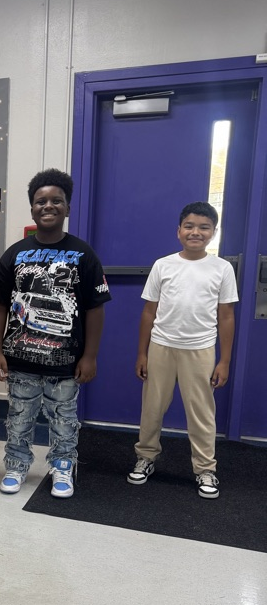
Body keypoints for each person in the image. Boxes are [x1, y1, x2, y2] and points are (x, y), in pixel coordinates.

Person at [0, 168, 110, 498]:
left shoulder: (84, 254)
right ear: (32, 209)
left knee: (64, 420)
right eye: (41, 201)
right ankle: (16, 464)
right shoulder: (15, 254)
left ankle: (62, 466)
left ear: (67, 208)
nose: (48, 206)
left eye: (57, 200)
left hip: (66, 363)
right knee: (19, 417)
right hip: (20, 361)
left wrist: (90, 355)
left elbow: (95, 308)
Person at [127, 202, 238, 499]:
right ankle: (146, 457)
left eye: (204, 227)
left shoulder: (222, 269)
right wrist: (142, 353)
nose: (195, 232)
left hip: (200, 350)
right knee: (152, 408)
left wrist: (224, 361)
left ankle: (205, 468)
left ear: (213, 233)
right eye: (189, 226)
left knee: (202, 413)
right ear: (178, 231)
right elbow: (149, 312)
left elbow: (226, 316)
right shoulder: (163, 265)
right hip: (161, 347)